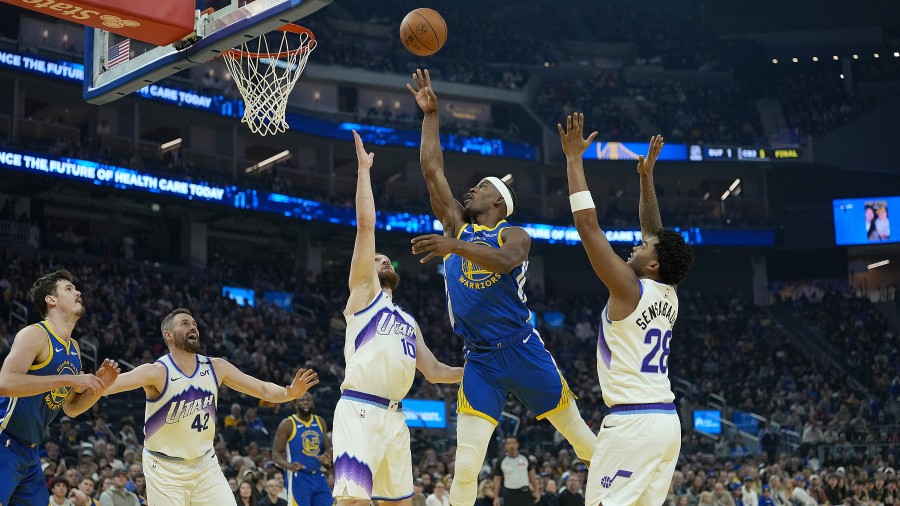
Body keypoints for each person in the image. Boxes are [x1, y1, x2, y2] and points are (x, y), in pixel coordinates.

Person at [406, 69, 596, 506]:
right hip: (481, 358)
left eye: (481, 187)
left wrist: (453, 245)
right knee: (467, 462)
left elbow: (506, 261)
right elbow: (431, 168)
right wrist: (431, 115)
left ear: (497, 202)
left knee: (581, 439)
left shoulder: (515, 235)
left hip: (523, 347)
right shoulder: (457, 223)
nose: (470, 189)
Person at [557, 114, 694, 506]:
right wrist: (646, 179)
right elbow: (656, 234)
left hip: (633, 424)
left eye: (642, 248)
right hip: (666, 423)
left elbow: (588, 226)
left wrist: (573, 160)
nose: (637, 245)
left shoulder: (629, 288)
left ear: (652, 264)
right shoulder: (668, 290)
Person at [331, 131, 463, 506]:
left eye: (387, 259)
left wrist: (477, 370)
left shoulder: (407, 320)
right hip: (359, 407)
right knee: (352, 502)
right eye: (377, 259)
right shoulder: (362, 294)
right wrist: (363, 170)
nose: (383, 259)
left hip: (395, 417)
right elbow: (366, 226)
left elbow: (435, 370)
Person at [104, 308, 319, 506]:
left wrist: (289, 393)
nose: (193, 327)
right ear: (168, 335)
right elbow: (106, 387)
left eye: (194, 324)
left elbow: (262, 389)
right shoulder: (156, 372)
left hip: (205, 464)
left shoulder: (216, 367)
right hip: (164, 468)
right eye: (185, 323)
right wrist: (90, 382)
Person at [0, 269, 120, 506]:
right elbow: (4, 383)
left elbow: (72, 409)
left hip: (31, 451)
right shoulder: (35, 334)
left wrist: (99, 388)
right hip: (5, 440)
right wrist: (68, 380)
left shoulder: (74, 348)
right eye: (69, 289)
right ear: (51, 299)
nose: (78, 292)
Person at [272, 393, 332, 506]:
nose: (305, 402)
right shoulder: (287, 424)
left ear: (313, 404)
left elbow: (327, 448)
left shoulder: (320, 421)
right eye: (302, 400)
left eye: (308, 400)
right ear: (295, 404)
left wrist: (326, 458)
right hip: (298, 477)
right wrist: (289, 466)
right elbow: (275, 455)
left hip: (319, 476)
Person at [492, 437, 537, 506]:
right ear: (505, 446)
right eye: (509, 443)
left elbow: (531, 474)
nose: (511, 445)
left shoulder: (524, 457)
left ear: (517, 444)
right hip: (509, 494)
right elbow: (497, 479)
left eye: (513, 443)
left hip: (525, 492)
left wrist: (536, 490)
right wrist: (496, 497)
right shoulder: (501, 461)